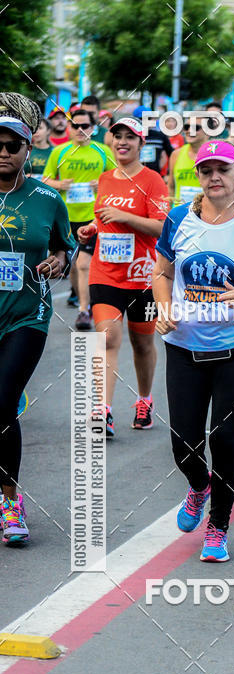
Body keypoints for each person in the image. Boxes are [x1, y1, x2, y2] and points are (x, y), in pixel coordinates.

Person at [153, 140, 234, 562]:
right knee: (184, 445)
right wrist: (164, 306)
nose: (216, 177)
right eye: (207, 170)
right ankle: (198, 486)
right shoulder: (178, 220)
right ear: (198, 176)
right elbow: (162, 272)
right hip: (184, 349)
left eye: (223, 170)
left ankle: (218, 527)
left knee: (226, 440)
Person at [0, 99, 75, 543]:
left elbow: (65, 249)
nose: (4, 152)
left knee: (3, 401)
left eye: (14, 145)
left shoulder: (47, 198)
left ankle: (10, 499)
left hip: (27, 315)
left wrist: (59, 261)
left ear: (29, 149)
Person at [77, 117, 169, 437]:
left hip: (143, 276)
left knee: (142, 343)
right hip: (106, 272)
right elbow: (103, 217)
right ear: (110, 141)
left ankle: (144, 400)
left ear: (141, 143)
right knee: (107, 337)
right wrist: (92, 228)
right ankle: (103, 410)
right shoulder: (105, 179)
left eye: (130, 137)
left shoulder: (153, 180)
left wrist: (125, 217)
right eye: (117, 136)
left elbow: (161, 227)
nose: (122, 142)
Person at [43, 107, 116, 327]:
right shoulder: (60, 151)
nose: (80, 129)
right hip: (66, 217)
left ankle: (85, 311)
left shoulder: (102, 150)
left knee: (84, 263)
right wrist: (59, 184)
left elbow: (117, 178)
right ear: (69, 127)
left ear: (93, 129)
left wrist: (102, 182)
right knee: (74, 265)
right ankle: (80, 295)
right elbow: (45, 179)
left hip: (93, 217)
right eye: (76, 125)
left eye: (85, 126)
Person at [167, 116, 208, 206]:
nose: (189, 130)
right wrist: (169, 212)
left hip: (205, 215)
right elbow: (171, 187)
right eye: (186, 127)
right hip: (180, 215)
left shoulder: (214, 155)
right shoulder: (176, 154)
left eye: (195, 128)